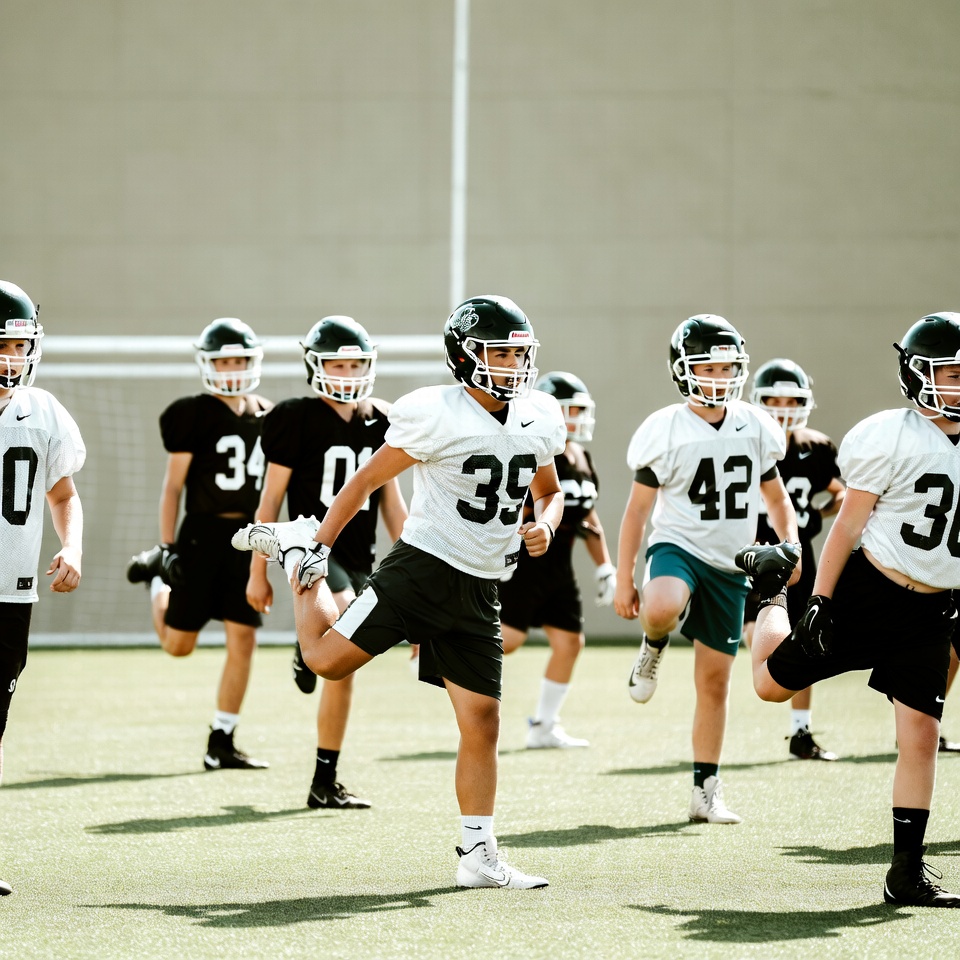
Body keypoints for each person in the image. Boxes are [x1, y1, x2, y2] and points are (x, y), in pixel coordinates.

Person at [234, 295, 566, 888]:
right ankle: (290, 548)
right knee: (325, 662)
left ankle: (477, 855)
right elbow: (365, 482)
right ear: (465, 358)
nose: (515, 364)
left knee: (483, 720)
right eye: (502, 352)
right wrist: (319, 547)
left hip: (481, 584)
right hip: (420, 571)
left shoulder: (539, 414)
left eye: (521, 352)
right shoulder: (435, 413)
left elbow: (549, 489)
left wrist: (545, 522)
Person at [739, 312, 960, 907]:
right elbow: (847, 526)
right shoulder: (893, 434)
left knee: (920, 733)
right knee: (769, 686)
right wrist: (818, 599)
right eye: (951, 374)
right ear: (917, 376)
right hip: (869, 591)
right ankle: (768, 594)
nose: (959, 386)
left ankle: (905, 874)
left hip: (932, 608)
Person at [614, 315, 799, 825]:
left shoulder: (755, 424)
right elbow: (636, 512)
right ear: (683, 369)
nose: (718, 377)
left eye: (727, 367)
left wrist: (793, 545)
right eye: (707, 366)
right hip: (678, 545)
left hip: (730, 562)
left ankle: (705, 790)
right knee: (662, 603)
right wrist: (625, 575)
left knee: (714, 682)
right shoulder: (663, 429)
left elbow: (776, 497)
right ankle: (653, 643)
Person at [245, 315, 407, 810]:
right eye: (337, 362)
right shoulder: (294, 417)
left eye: (356, 362)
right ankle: (309, 638)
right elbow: (270, 500)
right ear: (315, 365)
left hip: (361, 557)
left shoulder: (382, 418)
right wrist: (258, 571)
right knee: (340, 620)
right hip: (311, 549)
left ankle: (324, 780)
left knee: (345, 667)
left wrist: (411, 560)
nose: (347, 372)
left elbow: (392, 501)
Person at [126, 318, 271, 772]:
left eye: (239, 360)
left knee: (244, 638)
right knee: (178, 646)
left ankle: (222, 740)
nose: (231, 368)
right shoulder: (191, 413)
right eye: (223, 360)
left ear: (253, 361)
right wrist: (167, 547)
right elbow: (173, 487)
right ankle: (158, 583)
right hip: (201, 534)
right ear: (208, 364)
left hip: (247, 537)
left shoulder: (269, 414)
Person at [0, 280, 85, 897]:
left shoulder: (42, 410)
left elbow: (63, 496)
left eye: (18, 345)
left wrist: (72, 545)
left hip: (12, 590)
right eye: (3, 345)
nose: (13, 357)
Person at [499, 371, 616, 749]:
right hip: (527, 561)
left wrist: (605, 566)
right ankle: (444, 646)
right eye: (571, 410)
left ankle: (544, 726)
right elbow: (514, 506)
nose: (578, 417)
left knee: (569, 642)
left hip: (560, 567)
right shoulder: (535, 452)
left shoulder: (581, 456)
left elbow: (588, 515)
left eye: (581, 409)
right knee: (509, 639)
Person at [742, 359, 845, 761]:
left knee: (805, 640)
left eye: (792, 400)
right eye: (774, 400)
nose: (783, 408)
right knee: (758, 636)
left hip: (800, 555)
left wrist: (817, 516)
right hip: (754, 556)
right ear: (757, 401)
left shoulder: (816, 447)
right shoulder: (748, 442)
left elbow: (840, 491)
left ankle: (800, 732)